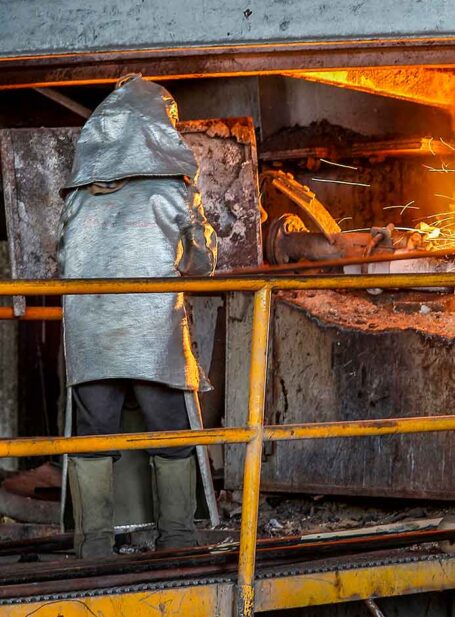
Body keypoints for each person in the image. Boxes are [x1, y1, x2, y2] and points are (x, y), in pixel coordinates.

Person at [57, 74, 218, 558]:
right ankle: (178, 540)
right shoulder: (174, 193)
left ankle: (95, 548)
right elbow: (202, 265)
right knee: (169, 435)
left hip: (92, 338)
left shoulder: (78, 198)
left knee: (93, 440)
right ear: (159, 132)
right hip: (153, 336)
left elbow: (62, 260)